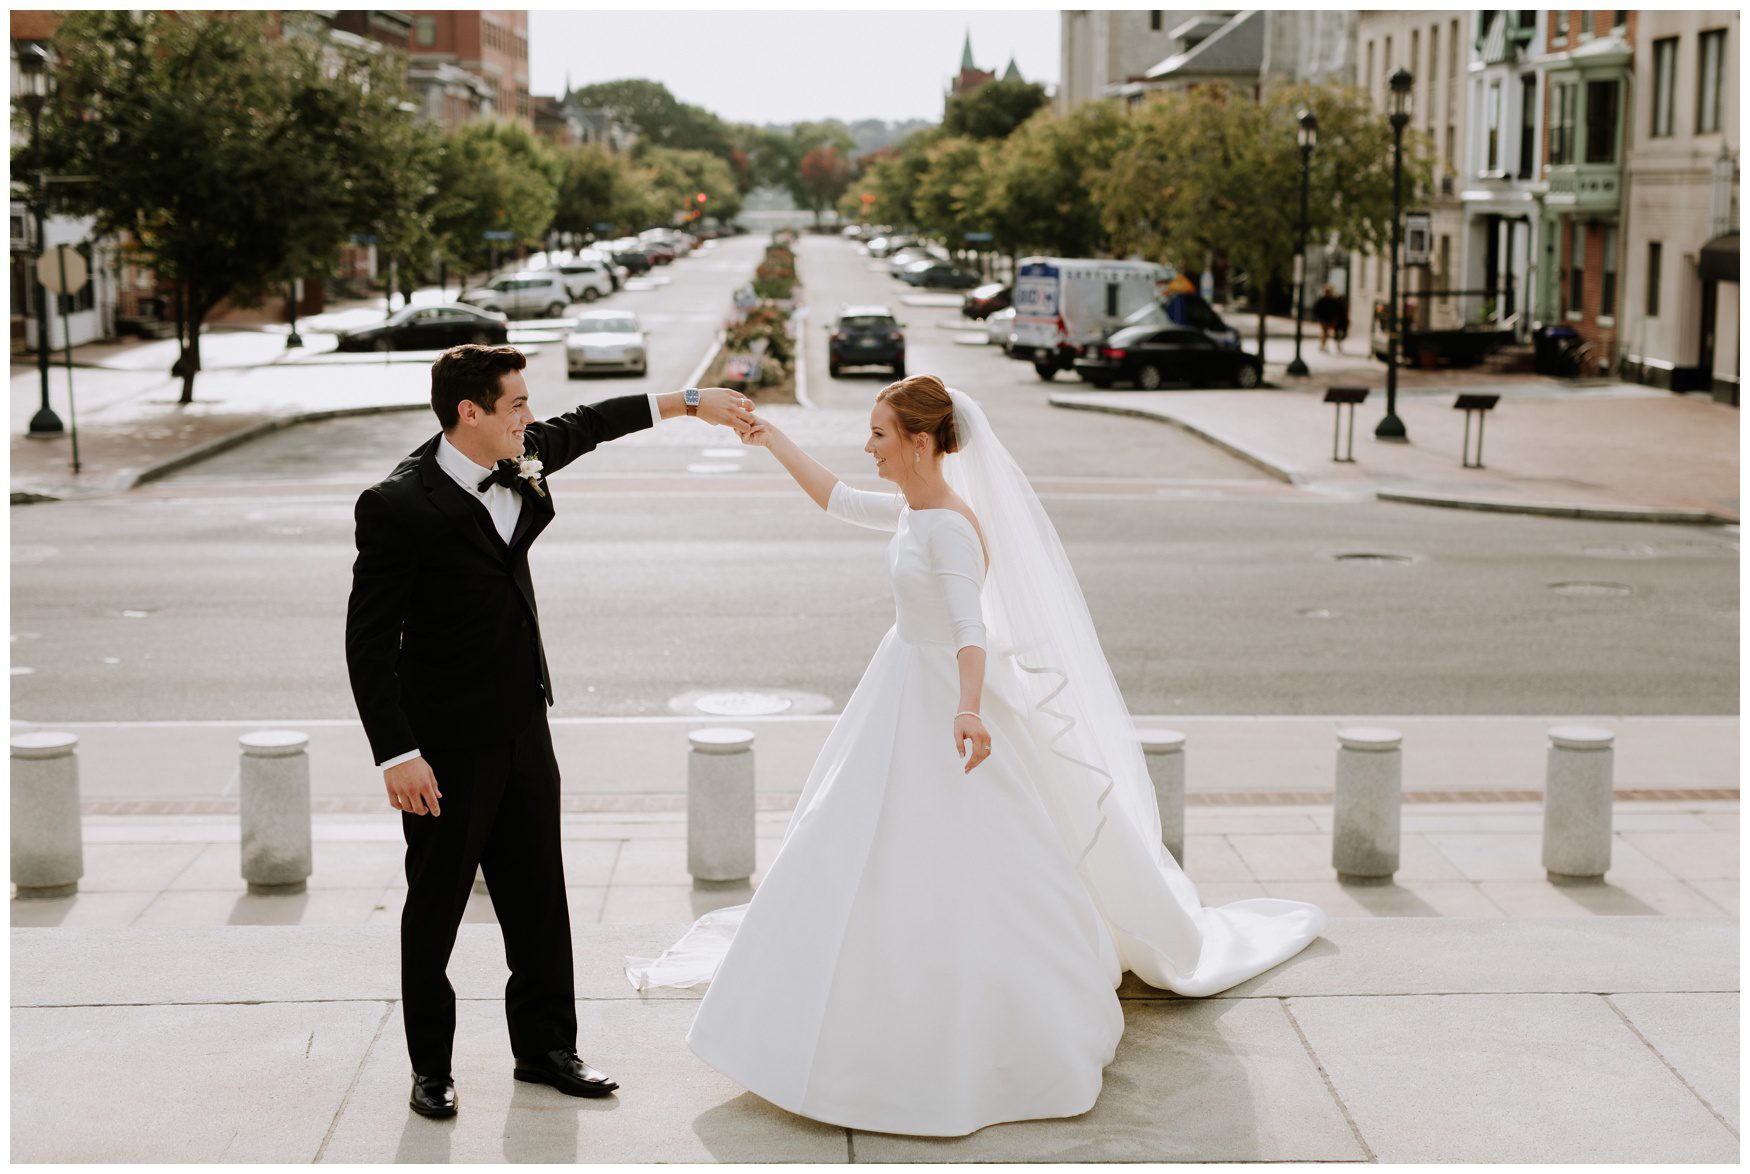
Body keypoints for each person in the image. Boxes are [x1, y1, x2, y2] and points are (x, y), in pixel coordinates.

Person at [626, 375, 1327, 1137]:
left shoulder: (949, 527)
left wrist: (965, 710)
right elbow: (833, 498)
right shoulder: (912, 510)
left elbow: (969, 628)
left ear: (920, 443)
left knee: (968, 854)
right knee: (854, 837)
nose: (869, 447)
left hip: (939, 695)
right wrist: (770, 441)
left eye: (879, 435)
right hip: (899, 686)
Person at [345, 344, 753, 1120]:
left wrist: (691, 400)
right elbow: (368, 643)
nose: (529, 418)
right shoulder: (396, 504)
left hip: (525, 727)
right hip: (441, 747)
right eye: (516, 405)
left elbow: (593, 423)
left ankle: (546, 1050)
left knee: (538, 894)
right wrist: (397, 752)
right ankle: (431, 1067)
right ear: (471, 413)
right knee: (433, 908)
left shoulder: (520, 456)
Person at [1314, 284, 1342, 353]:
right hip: (1326, 319)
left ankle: (1323, 346)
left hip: (1327, 319)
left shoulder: (1326, 300)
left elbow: (1316, 309)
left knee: (1325, 332)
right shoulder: (1328, 300)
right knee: (1325, 332)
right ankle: (1323, 346)